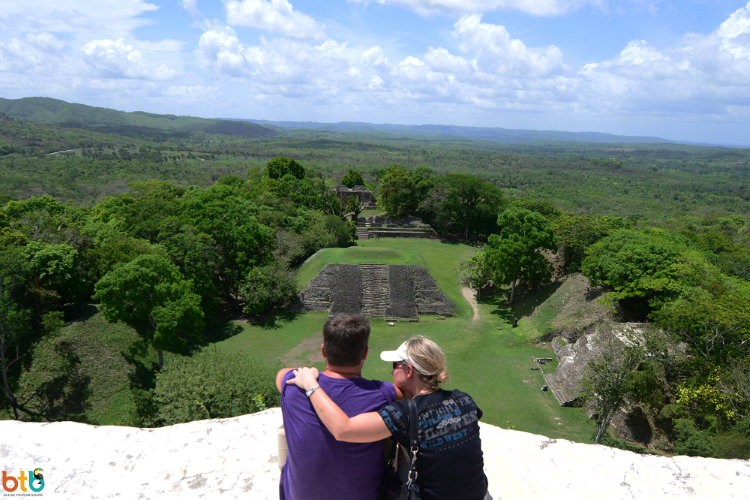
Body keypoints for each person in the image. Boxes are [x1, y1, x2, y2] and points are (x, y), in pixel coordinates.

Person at [288, 336, 489, 500]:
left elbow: (343, 430)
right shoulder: (464, 399)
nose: (391, 371)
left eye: (395, 365)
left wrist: (310, 385)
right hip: (478, 493)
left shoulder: (405, 413)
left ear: (409, 371)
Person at [276, 314, 403, 500]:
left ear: (323, 351)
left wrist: (308, 373)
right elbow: (406, 394)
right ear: (365, 353)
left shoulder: (293, 385)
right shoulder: (383, 394)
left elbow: (281, 375)